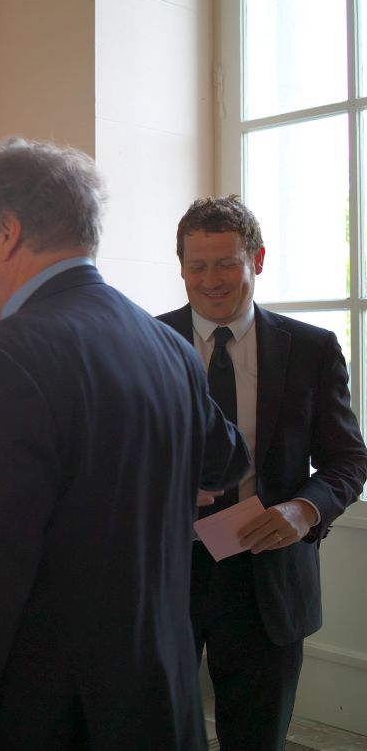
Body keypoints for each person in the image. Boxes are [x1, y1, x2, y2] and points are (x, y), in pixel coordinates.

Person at [0, 139, 249, 750]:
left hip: (51, 720)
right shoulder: (166, 345)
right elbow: (227, 461)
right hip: (161, 705)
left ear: (7, 233)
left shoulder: (3, 357)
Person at [157, 196, 367, 751]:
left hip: (266, 578)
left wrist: (305, 509)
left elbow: (349, 459)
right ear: (181, 267)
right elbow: (112, 458)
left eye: (227, 263)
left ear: (258, 259)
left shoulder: (312, 349)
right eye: (197, 266)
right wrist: (162, 488)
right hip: (165, 574)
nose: (211, 280)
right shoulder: (145, 342)